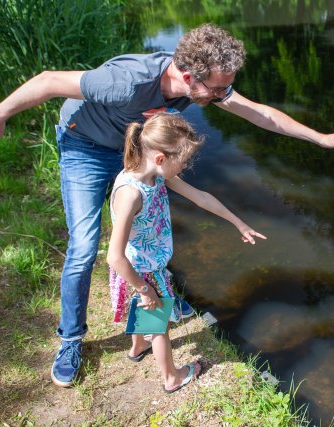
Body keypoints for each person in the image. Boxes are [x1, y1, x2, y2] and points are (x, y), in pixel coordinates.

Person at [0, 23, 334, 387]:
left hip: (133, 147)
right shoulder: (126, 82)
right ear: (190, 77)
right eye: (220, 88)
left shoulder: (201, 84)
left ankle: (161, 296)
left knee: (149, 221)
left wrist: (320, 138)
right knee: (83, 247)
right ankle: (71, 340)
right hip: (85, 146)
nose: (224, 95)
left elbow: (261, 113)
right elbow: (47, 81)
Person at [106, 112, 265, 393]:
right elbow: (114, 256)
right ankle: (172, 377)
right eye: (184, 160)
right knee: (160, 325)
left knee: (147, 317)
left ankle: (137, 346)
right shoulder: (131, 194)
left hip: (148, 264)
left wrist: (238, 222)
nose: (187, 166)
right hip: (141, 271)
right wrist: (144, 289)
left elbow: (201, 197)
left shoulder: (155, 175)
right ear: (160, 158)